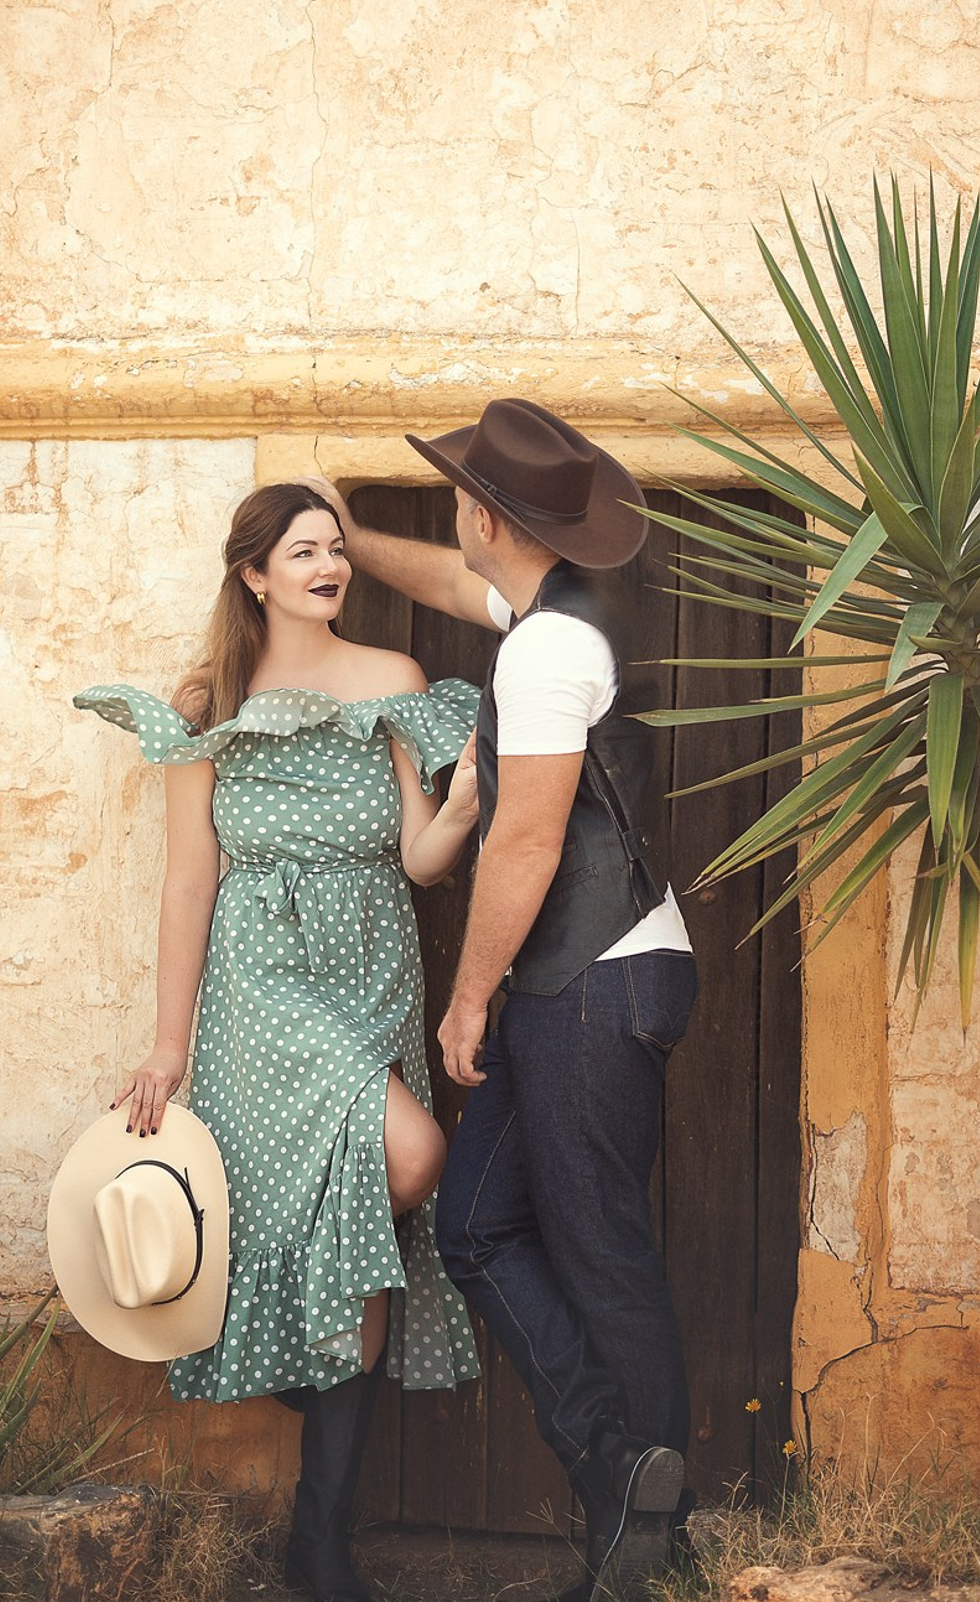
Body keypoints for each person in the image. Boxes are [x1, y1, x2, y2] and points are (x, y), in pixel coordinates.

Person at [308, 399, 697, 1602]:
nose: (457, 517)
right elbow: (442, 581)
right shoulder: (546, 606)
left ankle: (653, 1549)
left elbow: (523, 842)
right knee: (475, 1226)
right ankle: (615, 1471)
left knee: (601, 1252)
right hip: (592, 973)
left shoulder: (545, 651)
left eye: (462, 500)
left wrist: (466, 998)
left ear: (490, 513)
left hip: (589, 977)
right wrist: (349, 529)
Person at [73, 482, 482, 1602]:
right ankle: (301, 1404)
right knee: (409, 1160)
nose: (328, 567)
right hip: (262, 982)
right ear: (255, 573)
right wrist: (168, 1049)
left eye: (335, 550)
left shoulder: (392, 681)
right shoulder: (209, 702)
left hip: (372, 964)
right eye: (304, 552)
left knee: (365, 1210)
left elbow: (419, 858)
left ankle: (320, 1540)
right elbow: (188, 879)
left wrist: (465, 806)